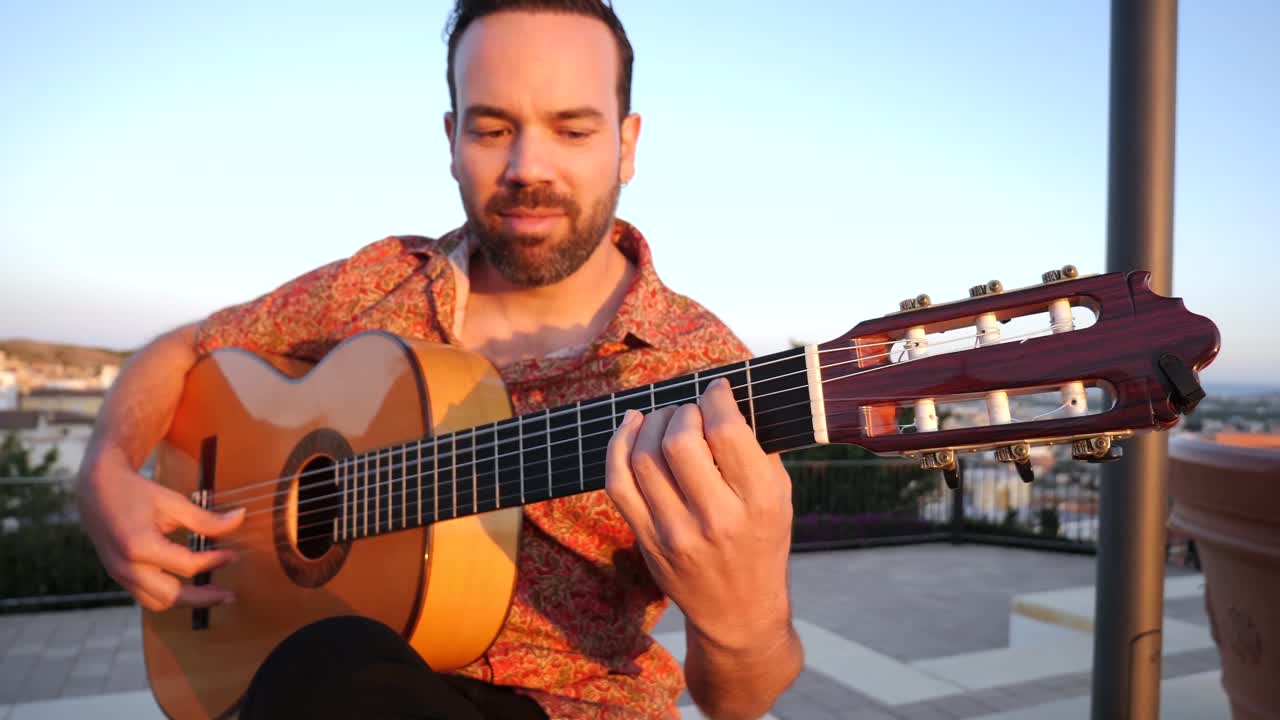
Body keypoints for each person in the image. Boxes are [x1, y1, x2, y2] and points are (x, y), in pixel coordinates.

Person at [76, 1, 804, 718]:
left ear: (627, 143)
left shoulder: (699, 372)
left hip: (566, 707)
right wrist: (106, 467)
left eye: (573, 128)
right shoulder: (381, 279)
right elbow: (184, 348)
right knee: (329, 673)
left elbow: (737, 703)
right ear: (453, 138)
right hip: (315, 682)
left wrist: (744, 626)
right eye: (492, 128)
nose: (527, 166)